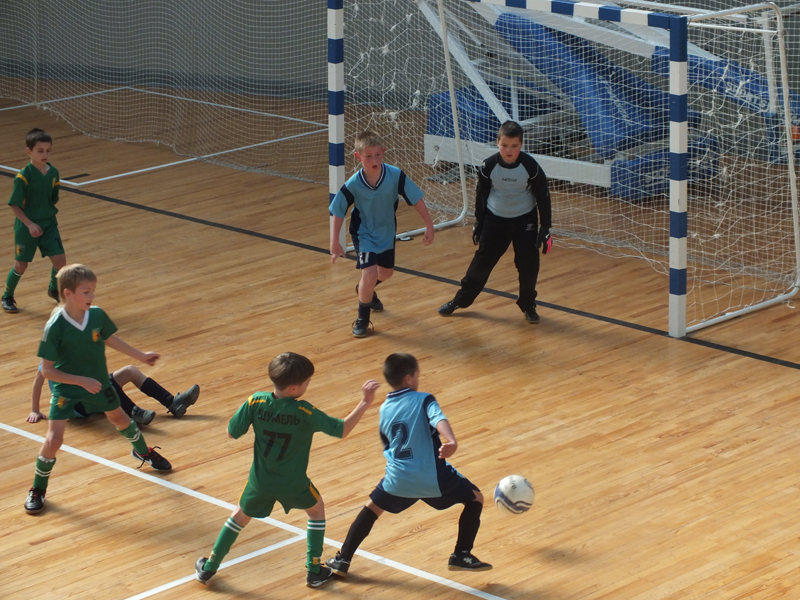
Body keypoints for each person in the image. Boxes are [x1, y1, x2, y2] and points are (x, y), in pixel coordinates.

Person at [195, 352, 379, 589]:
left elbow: (232, 433)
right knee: (316, 510)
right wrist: (365, 402)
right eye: (307, 382)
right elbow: (341, 430)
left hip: (260, 481)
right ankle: (314, 570)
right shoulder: (304, 411)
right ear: (294, 388)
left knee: (239, 516)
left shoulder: (256, 402)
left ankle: (209, 567)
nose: (308, 385)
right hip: (293, 483)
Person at [325, 353, 492, 578]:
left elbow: (389, 444)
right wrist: (451, 440)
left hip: (398, 478)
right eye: (417, 376)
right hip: (432, 477)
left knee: (372, 509)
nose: (418, 380)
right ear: (408, 378)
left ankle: (343, 559)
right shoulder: (424, 399)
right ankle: (461, 554)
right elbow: (438, 418)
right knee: (476, 498)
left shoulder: (384, 408)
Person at [23, 264, 172, 515]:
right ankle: (37, 489)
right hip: (67, 390)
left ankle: (143, 452)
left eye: (93, 291)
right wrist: (81, 381)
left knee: (120, 420)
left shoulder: (97, 315)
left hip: (99, 384)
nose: (91, 296)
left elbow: (109, 338)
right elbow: (47, 371)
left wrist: (141, 355)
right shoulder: (55, 327)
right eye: (86, 292)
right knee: (54, 440)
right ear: (68, 293)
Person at [438, 121, 552, 324]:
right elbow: (481, 195)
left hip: (525, 220)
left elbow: (543, 196)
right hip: (495, 220)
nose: (509, 151)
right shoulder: (488, 166)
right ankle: (460, 300)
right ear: (498, 143)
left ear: (521, 144)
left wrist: (545, 228)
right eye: (504, 145)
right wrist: (479, 223)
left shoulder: (531, 166)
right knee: (481, 264)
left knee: (528, 266)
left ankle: (528, 305)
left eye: (514, 146)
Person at [329, 130, 435, 338]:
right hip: (364, 234)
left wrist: (429, 225)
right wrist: (334, 240)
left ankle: (364, 289)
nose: (374, 160)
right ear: (358, 157)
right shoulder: (353, 184)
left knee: (385, 273)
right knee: (369, 274)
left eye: (377, 155)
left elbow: (416, 198)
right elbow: (338, 210)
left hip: (386, 232)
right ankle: (362, 319)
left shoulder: (395, 175)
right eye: (368, 156)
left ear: (383, 152)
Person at [3, 128, 65, 313]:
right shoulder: (23, 176)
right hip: (27, 226)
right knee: (21, 265)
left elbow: (53, 198)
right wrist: (30, 224)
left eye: (48, 150)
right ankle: (7, 296)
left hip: (49, 223)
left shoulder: (54, 173)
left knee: (60, 262)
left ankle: (53, 288)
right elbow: (15, 205)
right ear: (29, 151)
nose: (45, 154)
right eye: (40, 151)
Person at [28, 363, 201, 425]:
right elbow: (39, 379)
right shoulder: (54, 355)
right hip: (75, 406)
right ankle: (132, 412)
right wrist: (35, 410)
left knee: (130, 371)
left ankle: (173, 402)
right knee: (104, 381)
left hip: (93, 394)